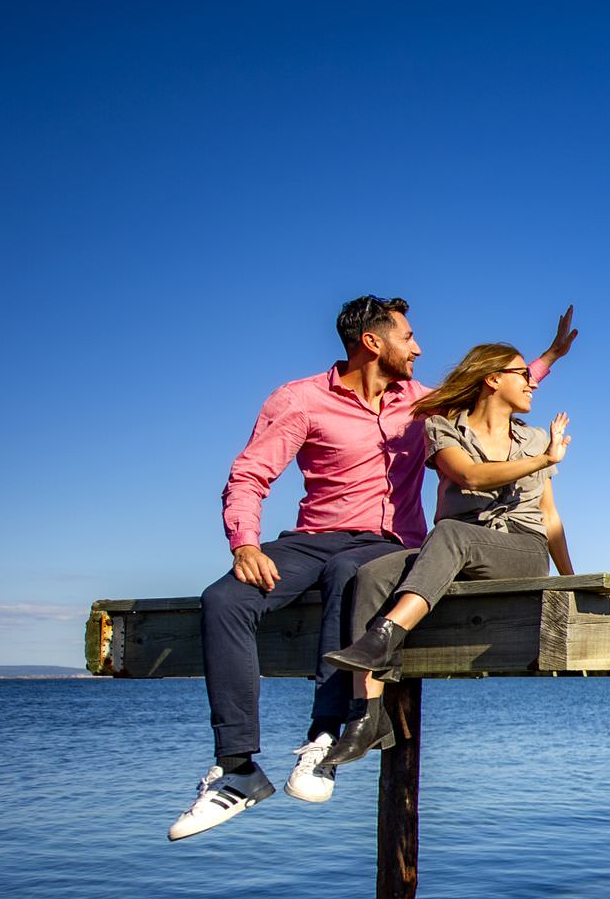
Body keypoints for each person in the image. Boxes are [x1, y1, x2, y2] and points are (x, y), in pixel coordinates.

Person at [169, 299, 577, 841]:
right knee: (224, 600)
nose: (419, 348)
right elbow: (250, 474)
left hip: (386, 543)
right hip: (312, 537)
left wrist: (546, 358)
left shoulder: (422, 403)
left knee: (351, 574)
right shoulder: (300, 399)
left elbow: (489, 393)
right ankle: (237, 767)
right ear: (372, 342)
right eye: (408, 337)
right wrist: (244, 544)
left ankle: (324, 737)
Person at [317, 344, 575, 767]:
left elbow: (549, 515)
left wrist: (568, 581)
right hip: (456, 550)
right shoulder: (443, 428)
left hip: (519, 551)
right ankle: (367, 716)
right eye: (522, 375)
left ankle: (386, 635)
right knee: (371, 573)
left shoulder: (537, 438)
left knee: (452, 533)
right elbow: (468, 475)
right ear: (493, 379)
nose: (531, 382)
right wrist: (542, 460)